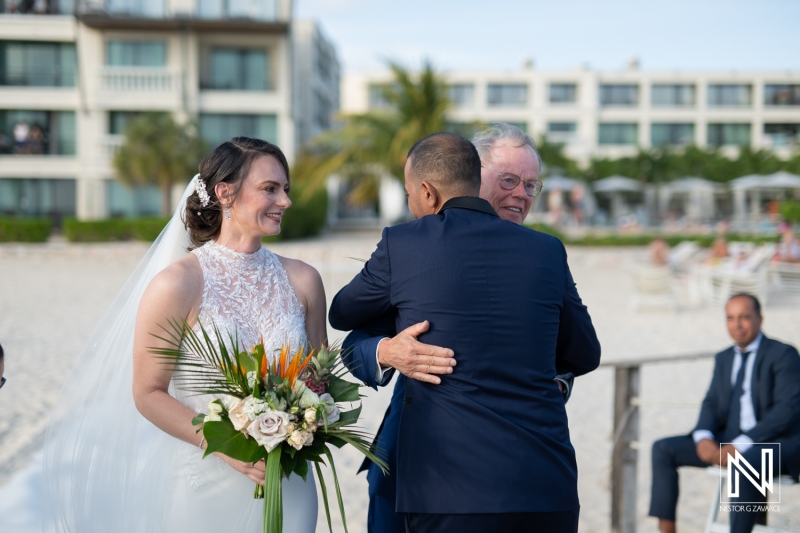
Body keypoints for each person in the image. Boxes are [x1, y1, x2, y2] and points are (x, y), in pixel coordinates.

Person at [43, 137, 323, 531]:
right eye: (270, 189)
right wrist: (222, 445)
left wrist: (309, 419)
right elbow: (147, 392)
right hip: (206, 486)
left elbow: (318, 380)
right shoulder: (177, 284)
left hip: (290, 483)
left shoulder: (304, 281)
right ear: (225, 193)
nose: (286, 201)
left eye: (285, 189)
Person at [329, 132, 601, 533]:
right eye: (509, 180)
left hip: (460, 488)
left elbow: (581, 353)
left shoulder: (411, 245)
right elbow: (354, 334)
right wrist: (385, 352)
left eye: (531, 185)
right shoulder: (545, 250)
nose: (521, 193)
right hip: (463, 476)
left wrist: (554, 380)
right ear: (475, 174)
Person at [649, 293, 800, 533]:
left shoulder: (783, 354)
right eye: (730, 318)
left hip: (778, 443)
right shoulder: (724, 357)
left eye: (744, 317)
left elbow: (787, 409)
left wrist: (741, 444)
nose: (736, 325)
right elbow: (711, 402)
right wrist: (703, 436)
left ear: (760, 319)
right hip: (730, 440)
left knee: (743, 463)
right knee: (663, 449)